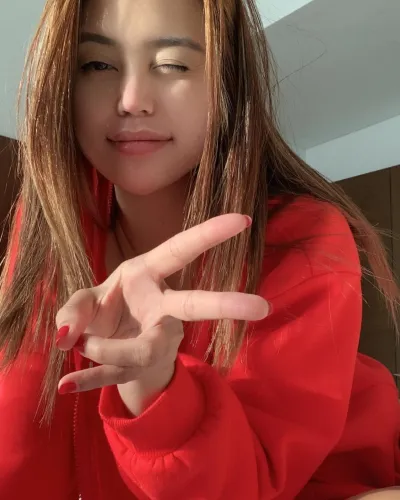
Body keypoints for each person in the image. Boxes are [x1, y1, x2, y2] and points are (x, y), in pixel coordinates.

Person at [0, 0, 399, 498]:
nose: (131, 100)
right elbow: (21, 432)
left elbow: (246, 485)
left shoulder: (305, 239)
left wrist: (155, 389)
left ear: (226, 83)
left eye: (172, 64)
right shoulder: (50, 220)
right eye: (97, 64)